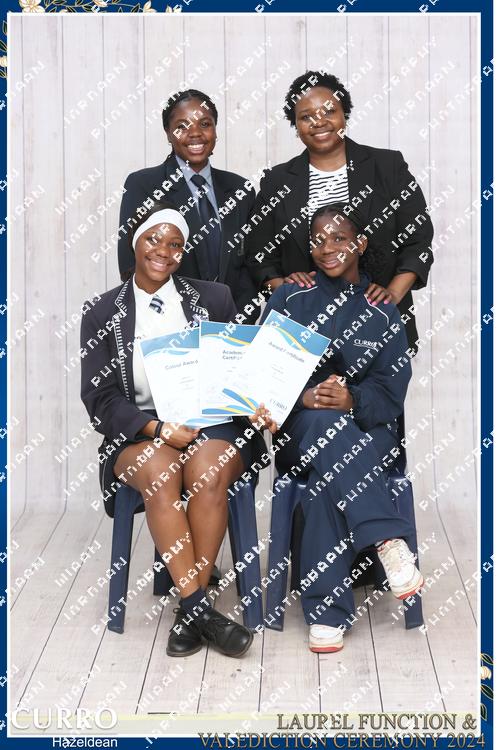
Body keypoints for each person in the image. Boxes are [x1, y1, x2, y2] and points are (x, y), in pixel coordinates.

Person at [81, 202, 275, 659]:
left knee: (208, 470)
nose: (163, 251)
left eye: (175, 244)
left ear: (183, 252)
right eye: (154, 239)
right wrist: (156, 428)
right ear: (136, 243)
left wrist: (258, 401)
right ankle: (199, 609)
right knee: (161, 471)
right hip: (141, 431)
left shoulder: (214, 298)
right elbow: (99, 398)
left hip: (211, 423)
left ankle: (191, 610)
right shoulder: (102, 311)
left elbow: (236, 370)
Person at [261, 202, 424, 653]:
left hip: (370, 433)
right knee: (325, 424)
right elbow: (262, 375)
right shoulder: (289, 298)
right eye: (318, 240)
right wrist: (304, 397)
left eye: (339, 238)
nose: (327, 247)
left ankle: (327, 614)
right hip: (302, 431)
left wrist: (353, 399)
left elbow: (392, 392)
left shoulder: (381, 308)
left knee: (324, 483)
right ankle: (387, 538)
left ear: (360, 244)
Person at [245, 70, 434, 354]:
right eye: (306, 116)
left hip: (378, 328)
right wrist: (289, 296)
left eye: (329, 111)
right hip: (300, 335)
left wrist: (392, 296)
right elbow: (259, 255)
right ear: (295, 125)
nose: (319, 122)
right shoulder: (277, 181)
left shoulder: (387, 167)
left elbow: (418, 240)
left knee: (379, 385)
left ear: (344, 113)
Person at [117, 89, 259, 321]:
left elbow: (249, 264)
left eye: (205, 124)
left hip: (231, 325)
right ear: (168, 132)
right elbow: (130, 264)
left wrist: (239, 322)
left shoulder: (240, 189)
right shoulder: (143, 185)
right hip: (170, 325)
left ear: (215, 129)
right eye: (182, 126)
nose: (195, 133)